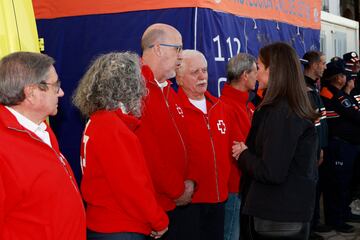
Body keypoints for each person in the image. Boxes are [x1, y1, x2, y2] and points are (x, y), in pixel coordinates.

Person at [72, 52, 168, 240]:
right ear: (130, 86)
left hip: (104, 223)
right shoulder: (112, 127)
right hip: (119, 227)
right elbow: (133, 186)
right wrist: (158, 220)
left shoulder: (97, 120)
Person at [235, 42, 319, 240]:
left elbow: (272, 171)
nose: (256, 72)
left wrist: (243, 154)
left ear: (273, 71)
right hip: (286, 213)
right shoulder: (291, 106)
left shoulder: (281, 112)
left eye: (259, 67)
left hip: (277, 217)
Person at [0, 52, 86, 239]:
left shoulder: (41, 129)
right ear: (31, 93)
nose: (61, 92)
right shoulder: (4, 147)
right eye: (56, 86)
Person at [175, 49, 242, 240]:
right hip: (188, 203)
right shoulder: (173, 109)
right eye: (195, 72)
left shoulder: (222, 108)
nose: (202, 76)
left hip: (220, 199)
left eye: (204, 70)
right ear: (179, 78)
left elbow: (236, 148)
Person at [136, 23, 194, 239]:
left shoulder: (169, 90)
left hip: (176, 203)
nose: (181, 55)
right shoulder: (138, 91)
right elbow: (148, 155)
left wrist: (189, 182)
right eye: (177, 48)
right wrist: (178, 189)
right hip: (153, 210)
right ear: (158, 48)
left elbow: (186, 143)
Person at [220, 53, 258, 240]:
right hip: (234, 185)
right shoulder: (226, 106)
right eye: (255, 72)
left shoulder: (247, 105)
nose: (257, 77)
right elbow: (236, 149)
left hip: (248, 183)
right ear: (245, 75)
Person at [320, 59, 360, 233]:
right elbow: (354, 114)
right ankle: (336, 219)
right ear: (337, 78)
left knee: (346, 183)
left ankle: (343, 213)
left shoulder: (341, 94)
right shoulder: (330, 93)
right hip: (339, 146)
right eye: (344, 75)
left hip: (349, 146)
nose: (346, 78)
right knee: (338, 184)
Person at [302, 51, 329, 239]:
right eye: (322, 63)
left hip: (318, 149)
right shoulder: (304, 88)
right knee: (307, 191)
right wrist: (317, 148)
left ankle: (314, 225)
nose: (325, 67)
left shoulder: (314, 86)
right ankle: (307, 230)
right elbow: (310, 125)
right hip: (310, 151)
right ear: (313, 65)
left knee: (315, 189)